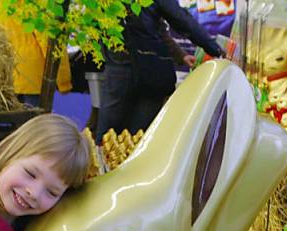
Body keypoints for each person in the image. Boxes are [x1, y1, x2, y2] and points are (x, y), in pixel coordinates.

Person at [95, 0, 224, 142]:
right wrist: (215, 49)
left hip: (119, 68)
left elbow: (157, 26)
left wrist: (181, 55)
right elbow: (181, 20)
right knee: (140, 140)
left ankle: (102, 161)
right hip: (149, 71)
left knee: (106, 137)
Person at [0, 0, 72, 107]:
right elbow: (49, 40)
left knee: (15, 121)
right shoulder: (40, 3)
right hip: (33, 77)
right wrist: (64, 81)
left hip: (6, 73)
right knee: (35, 122)